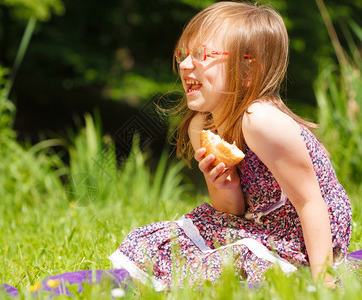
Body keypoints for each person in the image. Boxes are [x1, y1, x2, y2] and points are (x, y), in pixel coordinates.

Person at [109, 1, 352, 290]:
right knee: (162, 243)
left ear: (247, 70)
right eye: (183, 55)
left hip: (307, 230)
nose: (185, 65)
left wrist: (322, 282)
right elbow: (230, 211)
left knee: (227, 262)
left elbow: (311, 202)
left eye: (201, 55)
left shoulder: (260, 120)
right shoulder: (202, 124)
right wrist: (224, 185)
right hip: (258, 223)